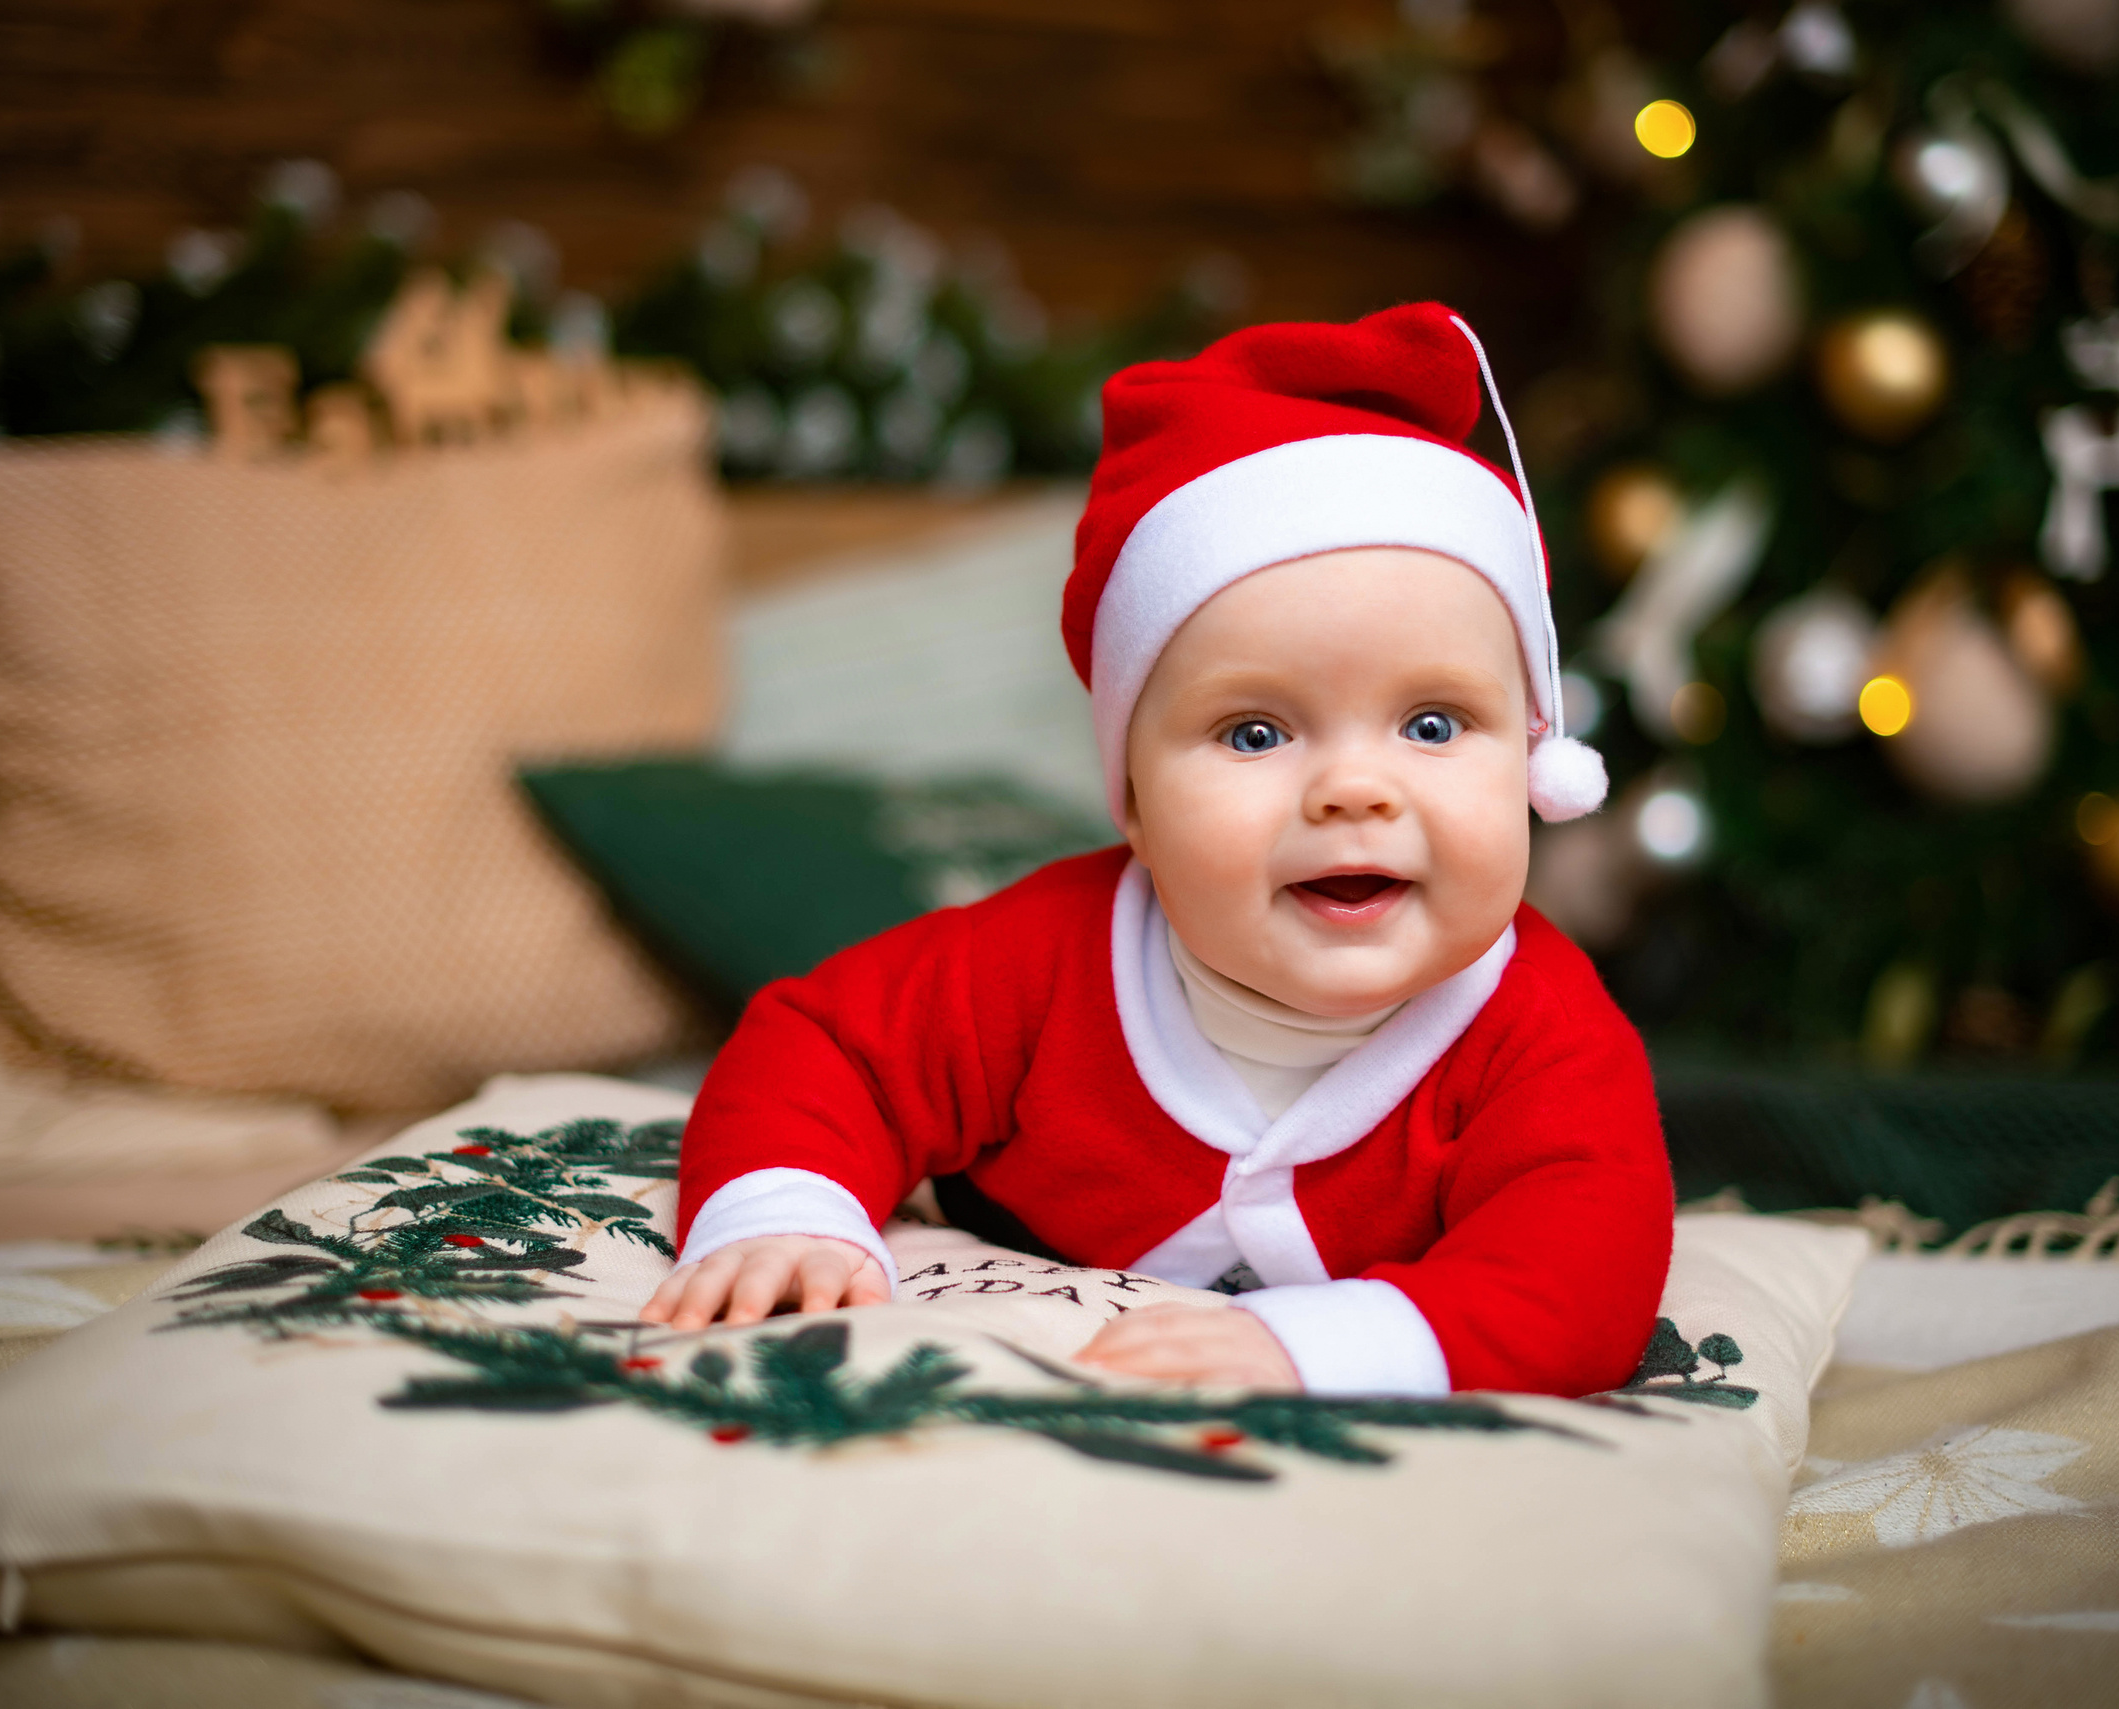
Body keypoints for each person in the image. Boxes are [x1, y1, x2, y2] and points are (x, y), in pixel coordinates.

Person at [642, 302, 1673, 1397]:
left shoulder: (1541, 1039)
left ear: (1533, 757)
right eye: (1255, 732)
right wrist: (786, 1209)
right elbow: (829, 1047)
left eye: (1431, 724)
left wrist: (1328, 1346)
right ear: (1132, 798)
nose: (1354, 791)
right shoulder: (1041, 962)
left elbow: (1585, 1270)